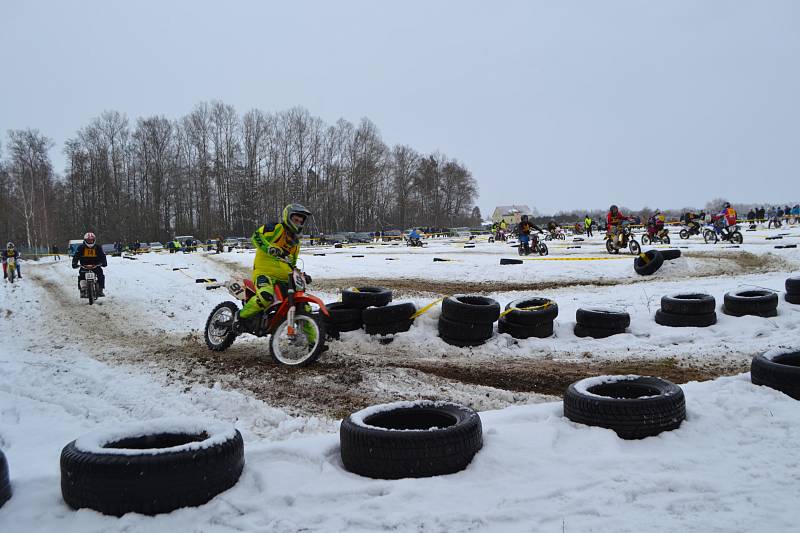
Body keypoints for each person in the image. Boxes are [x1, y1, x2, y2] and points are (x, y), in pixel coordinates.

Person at [235, 204, 313, 334]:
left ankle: (315, 342)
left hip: (285, 279)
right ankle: (240, 316)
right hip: (264, 273)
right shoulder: (275, 228)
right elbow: (256, 237)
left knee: (303, 306)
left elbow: (291, 264)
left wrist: (301, 274)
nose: (298, 223)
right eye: (296, 220)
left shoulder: (295, 243)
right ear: (288, 217)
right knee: (266, 296)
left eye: (301, 221)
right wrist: (269, 247)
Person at [72, 232, 107, 296]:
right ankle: (82, 289)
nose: (90, 241)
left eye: (91, 240)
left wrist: (104, 263)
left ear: (94, 240)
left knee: (101, 276)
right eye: (88, 240)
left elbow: (102, 256)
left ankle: (100, 289)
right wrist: (74, 263)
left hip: (95, 266)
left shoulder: (98, 247)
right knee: (81, 276)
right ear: (85, 240)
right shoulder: (81, 248)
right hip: (84, 266)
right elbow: (76, 256)